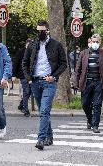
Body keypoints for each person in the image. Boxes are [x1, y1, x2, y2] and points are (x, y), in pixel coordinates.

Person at [22, 20, 67, 150]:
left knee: (44, 111)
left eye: (42, 30)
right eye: (38, 30)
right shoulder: (32, 45)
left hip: (49, 82)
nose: (40, 33)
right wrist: (29, 79)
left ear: (47, 30)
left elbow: (63, 63)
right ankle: (49, 137)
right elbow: (25, 63)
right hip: (35, 82)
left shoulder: (56, 45)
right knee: (44, 112)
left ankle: (41, 139)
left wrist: (54, 76)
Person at [74, 34, 103, 133]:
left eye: (97, 42)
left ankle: (95, 125)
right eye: (93, 41)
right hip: (86, 82)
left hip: (99, 82)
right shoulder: (84, 53)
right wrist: (76, 82)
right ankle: (90, 119)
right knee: (85, 103)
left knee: (97, 104)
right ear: (90, 42)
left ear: (100, 42)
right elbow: (78, 69)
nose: (95, 43)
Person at [12, 38, 33, 117]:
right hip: (23, 75)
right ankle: (26, 110)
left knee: (30, 92)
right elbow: (15, 63)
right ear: (26, 44)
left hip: (31, 76)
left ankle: (21, 104)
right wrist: (13, 75)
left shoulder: (33, 52)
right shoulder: (21, 52)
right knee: (26, 91)